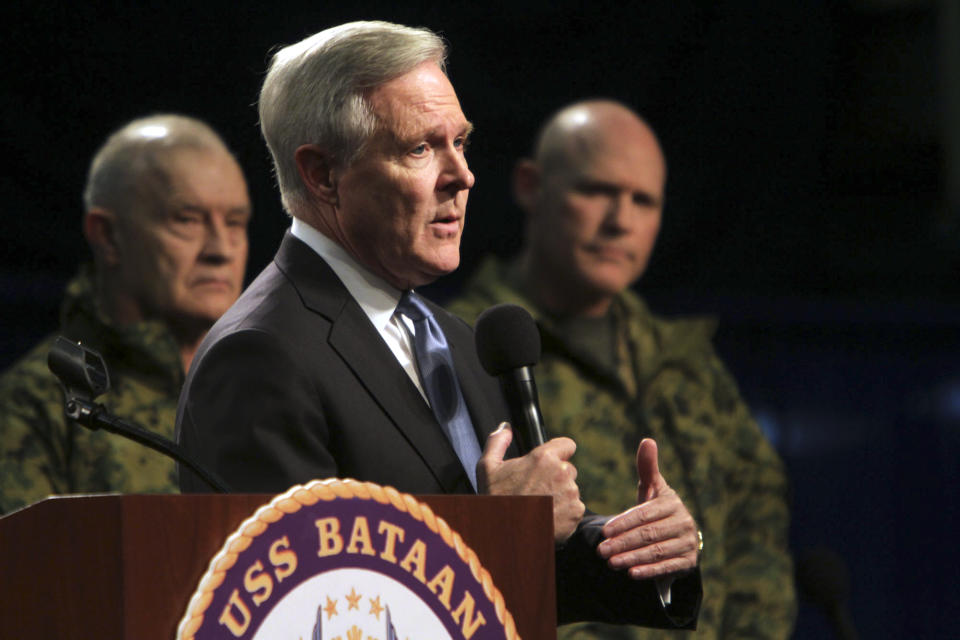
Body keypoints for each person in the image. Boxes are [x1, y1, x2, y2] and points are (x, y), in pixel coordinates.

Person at [176, 21, 702, 628]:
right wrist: (500, 530)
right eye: (421, 148)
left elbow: (521, 578)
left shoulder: (456, 339)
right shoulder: (259, 358)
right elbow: (296, 612)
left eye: (462, 142)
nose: (463, 175)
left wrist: (646, 550)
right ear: (323, 175)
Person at [446, 99, 796, 638]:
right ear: (530, 186)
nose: (620, 221)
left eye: (643, 200)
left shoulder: (687, 361)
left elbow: (758, 529)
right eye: (597, 191)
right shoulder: (461, 348)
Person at [0, 114, 251, 514]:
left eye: (235, 223)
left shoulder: (269, 389)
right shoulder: (35, 406)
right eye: (186, 219)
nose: (221, 249)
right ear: (108, 236)